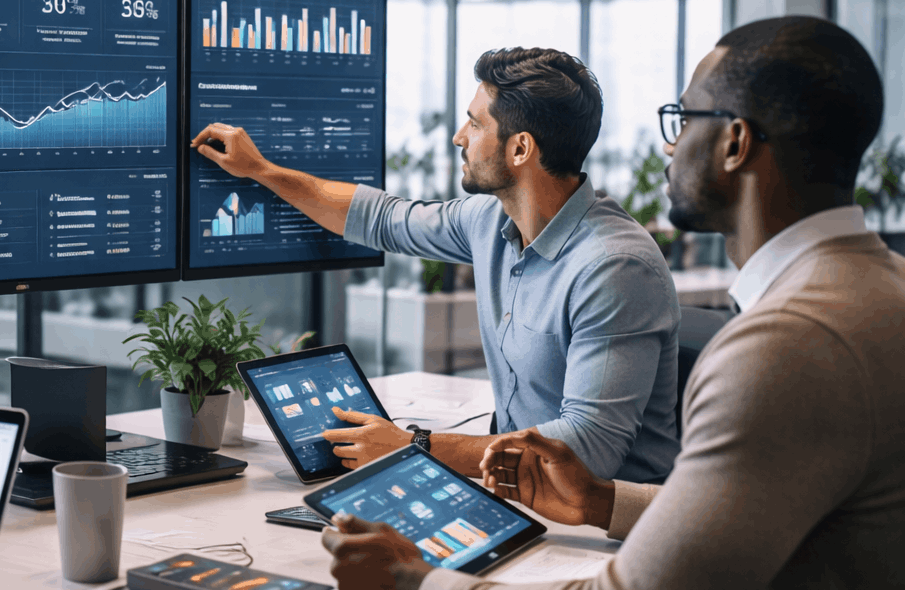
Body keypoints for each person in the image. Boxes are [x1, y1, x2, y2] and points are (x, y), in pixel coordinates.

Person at [321, 16, 905, 590]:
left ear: (735, 143)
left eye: (684, 119)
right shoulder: (874, 296)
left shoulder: (792, 343)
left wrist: (417, 588)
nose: (668, 147)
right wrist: (605, 504)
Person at [193, 47, 679, 483]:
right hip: (519, 494)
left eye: (476, 123)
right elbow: (382, 218)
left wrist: (415, 447)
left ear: (520, 148)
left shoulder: (614, 268)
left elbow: (587, 452)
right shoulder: (490, 220)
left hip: (605, 535)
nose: (458, 136)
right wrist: (260, 170)